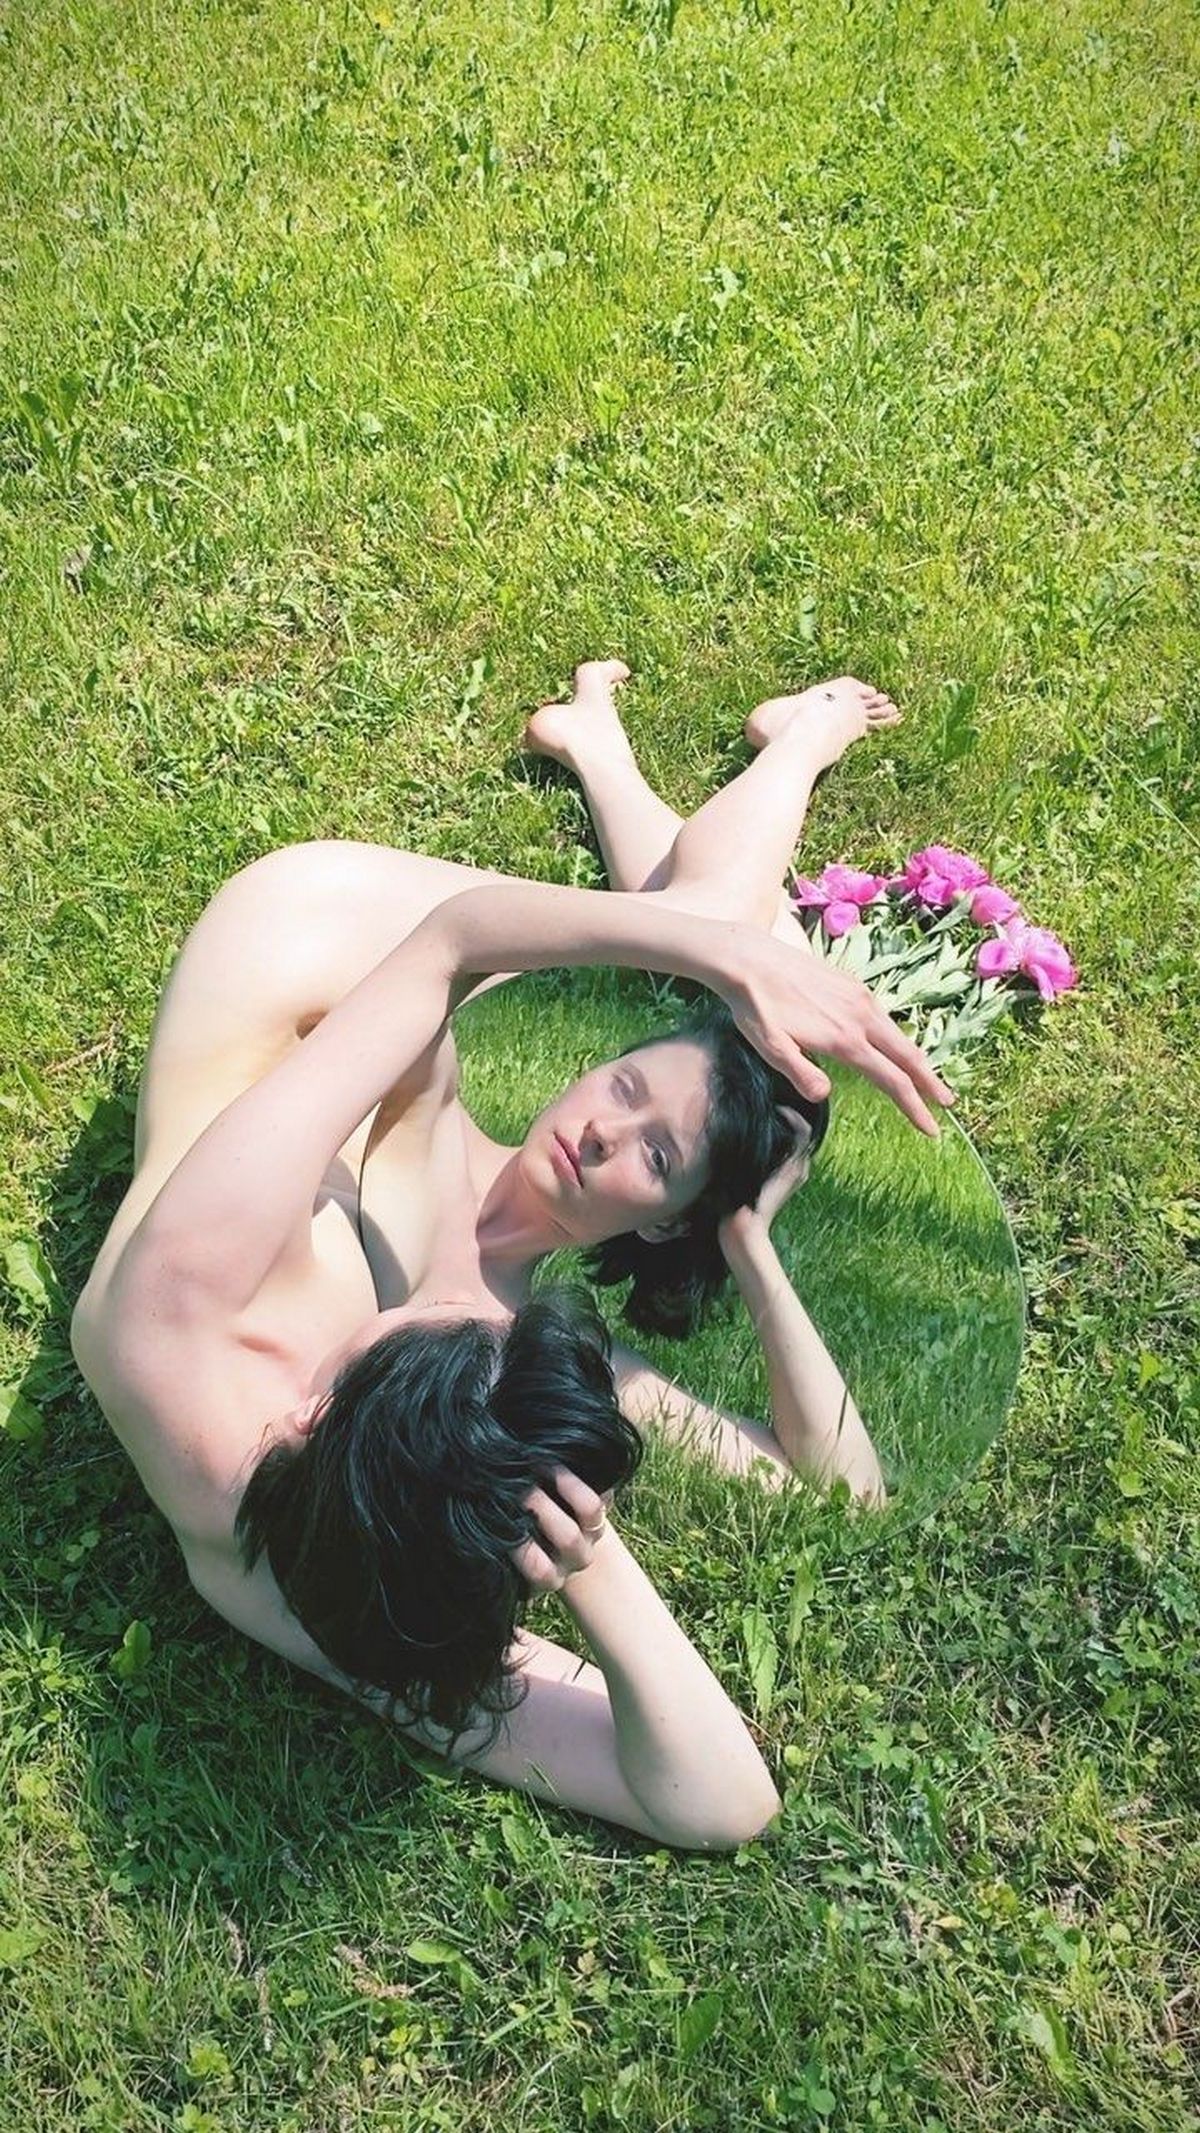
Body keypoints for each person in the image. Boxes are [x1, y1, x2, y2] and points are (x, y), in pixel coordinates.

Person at [70, 664, 950, 1850]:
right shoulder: (358, 1586)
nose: (481, 1319)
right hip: (368, 1017)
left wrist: (743, 1198)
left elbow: (448, 948)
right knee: (722, 919)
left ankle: (655, 754)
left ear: (319, 1408)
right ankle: (750, 746)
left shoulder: (186, 1301)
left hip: (290, 967)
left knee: (718, 920)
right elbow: (719, 1802)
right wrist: (591, 1558)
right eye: (625, 1090)